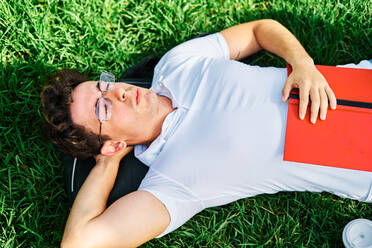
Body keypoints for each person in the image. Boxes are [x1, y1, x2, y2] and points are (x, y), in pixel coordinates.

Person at [41, 19, 372, 247]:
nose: (119, 93)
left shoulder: (177, 63)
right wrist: (105, 165)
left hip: (363, 85)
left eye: (105, 84)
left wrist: (302, 63)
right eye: (104, 108)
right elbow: (79, 242)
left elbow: (259, 30)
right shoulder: (172, 182)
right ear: (113, 144)